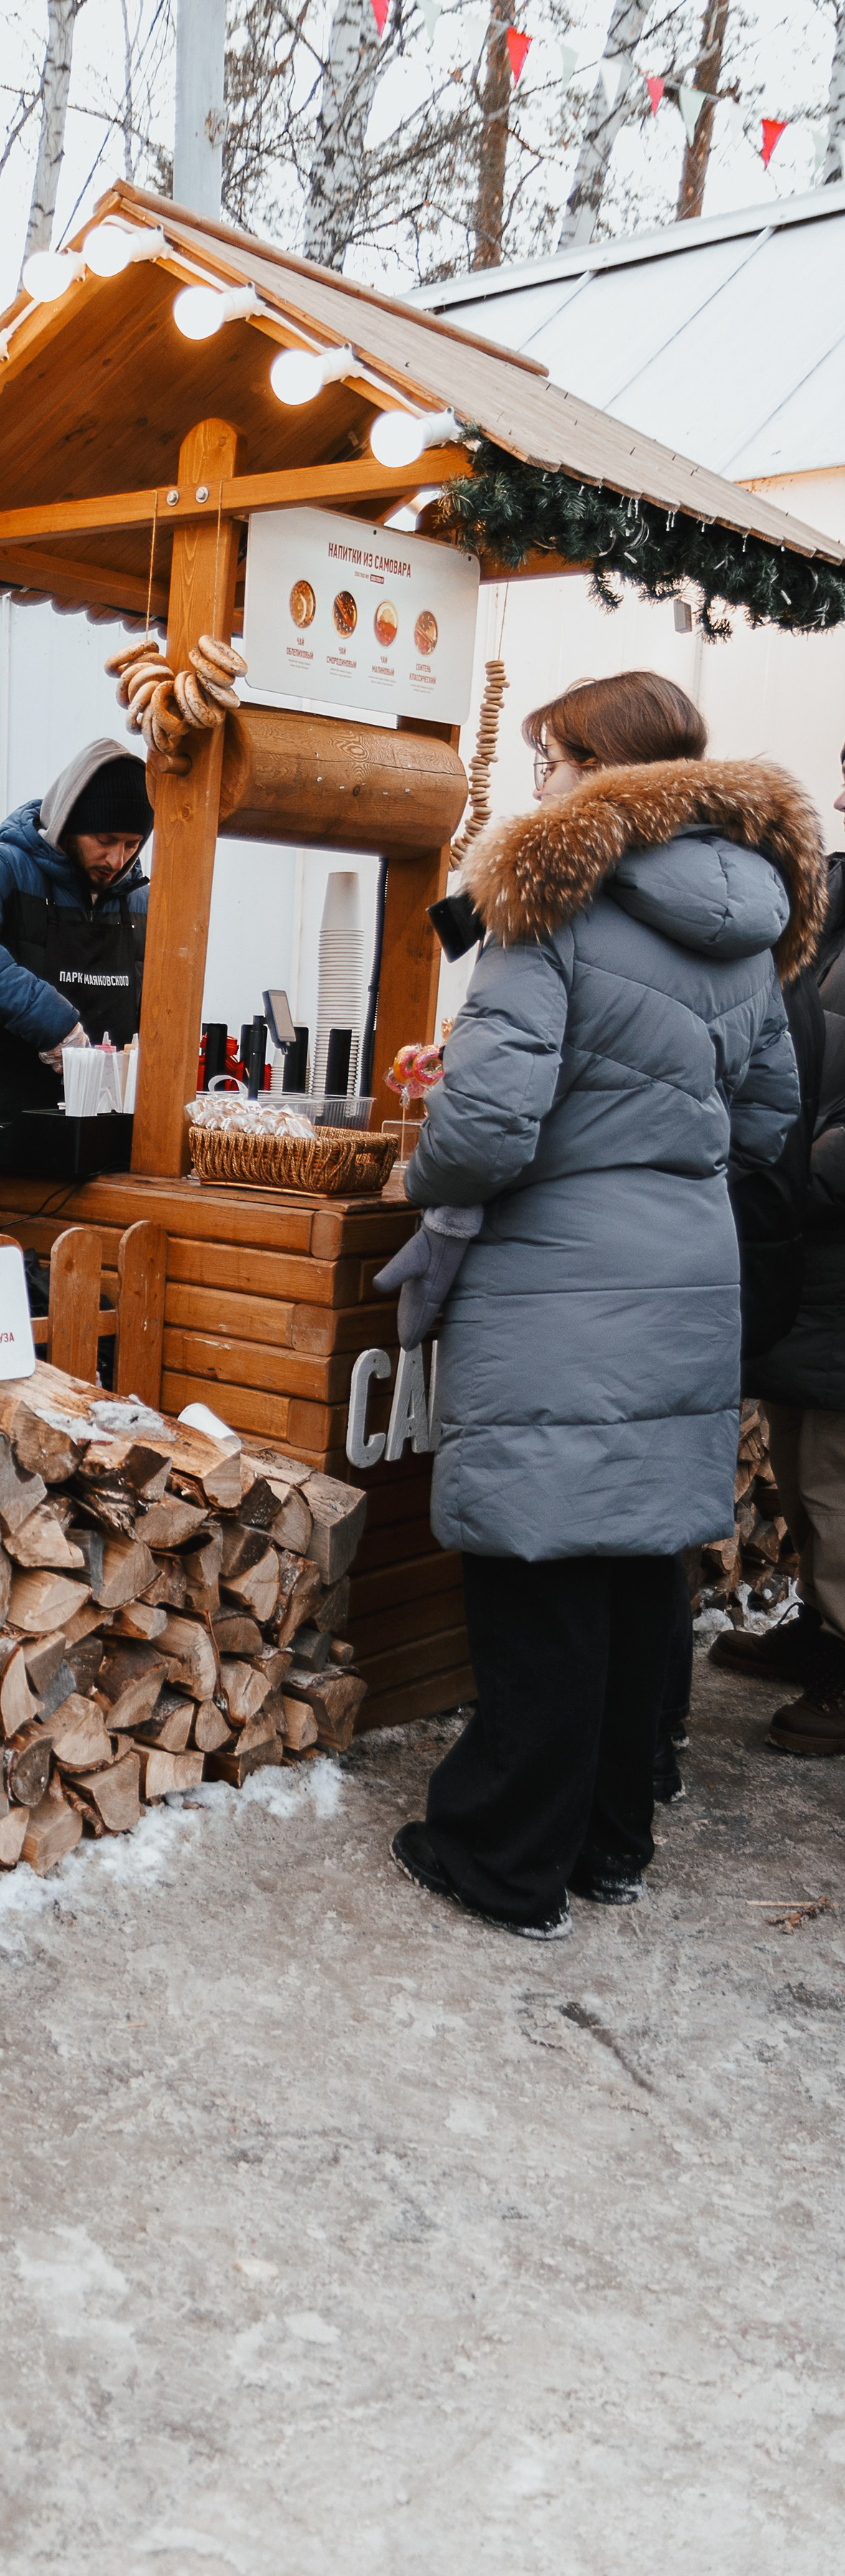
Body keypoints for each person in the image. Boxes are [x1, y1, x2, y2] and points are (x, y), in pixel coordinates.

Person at [379, 670, 815, 1940]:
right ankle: (614, 1843)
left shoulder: (551, 901)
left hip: (558, 1265)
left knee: (540, 1562)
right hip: (688, 1254)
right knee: (637, 1567)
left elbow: (491, 1123)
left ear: (600, 767)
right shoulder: (749, 919)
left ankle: (504, 1859)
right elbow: (768, 1121)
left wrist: (435, 1174)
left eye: (550, 759)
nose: (540, 785)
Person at [719, 738, 845, 1752]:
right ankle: (823, 1630)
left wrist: (811, 1170)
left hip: (831, 1216)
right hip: (810, 1235)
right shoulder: (833, 895)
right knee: (805, 1457)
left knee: (837, 1471)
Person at [0, 740, 152, 1165]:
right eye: (105, 839)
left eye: (133, 845)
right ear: (66, 824)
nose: (117, 860)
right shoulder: (1, 867)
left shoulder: (140, 901)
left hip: (104, 1144)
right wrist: (55, 1025)